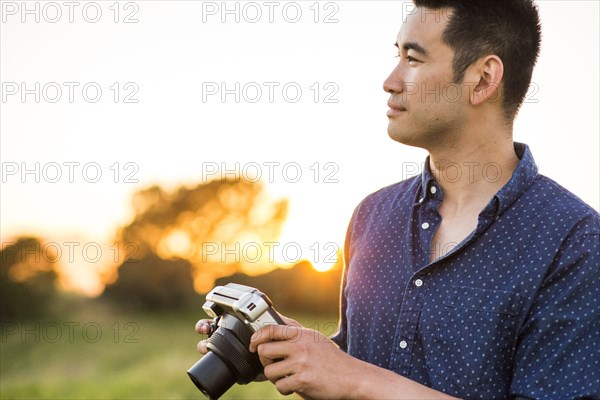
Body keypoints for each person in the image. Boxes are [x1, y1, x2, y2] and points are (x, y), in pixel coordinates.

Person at [197, 1, 600, 398]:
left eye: (414, 58)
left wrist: (354, 379)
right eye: (397, 55)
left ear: (483, 79)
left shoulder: (575, 240)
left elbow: (357, 379)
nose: (390, 81)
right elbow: (354, 365)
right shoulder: (371, 216)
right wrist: (292, 348)